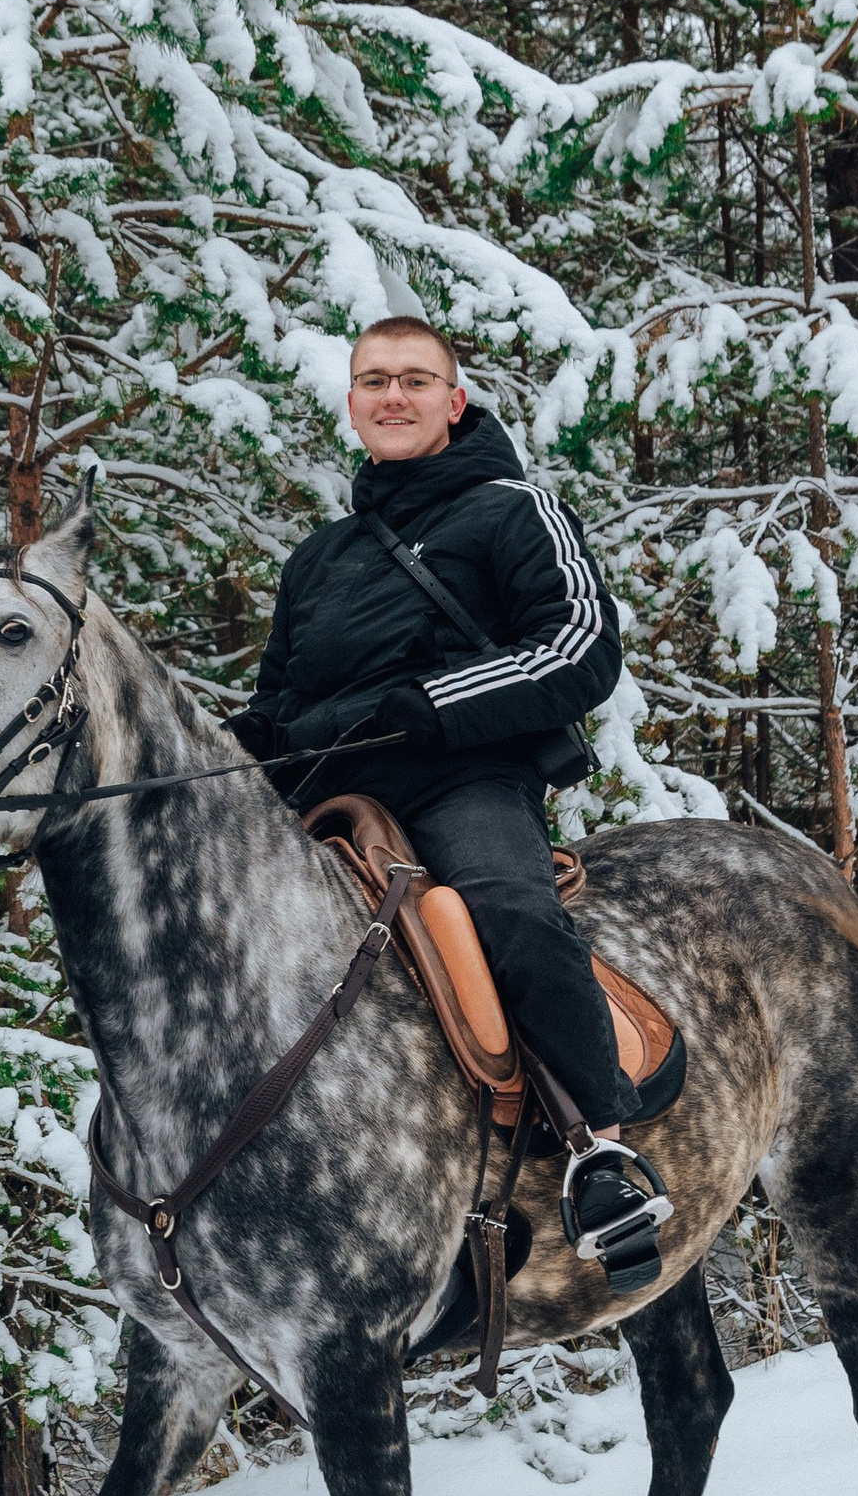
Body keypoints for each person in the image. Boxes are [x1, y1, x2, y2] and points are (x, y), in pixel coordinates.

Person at [232, 317, 672, 1283]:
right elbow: (277, 701)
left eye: (416, 380)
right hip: (327, 796)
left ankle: (599, 1147)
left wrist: (427, 705)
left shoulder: (515, 510)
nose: (394, 396)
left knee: (509, 915)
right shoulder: (314, 559)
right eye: (375, 381)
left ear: (453, 400)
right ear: (352, 404)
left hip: (461, 775)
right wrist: (247, 742)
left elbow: (579, 649)